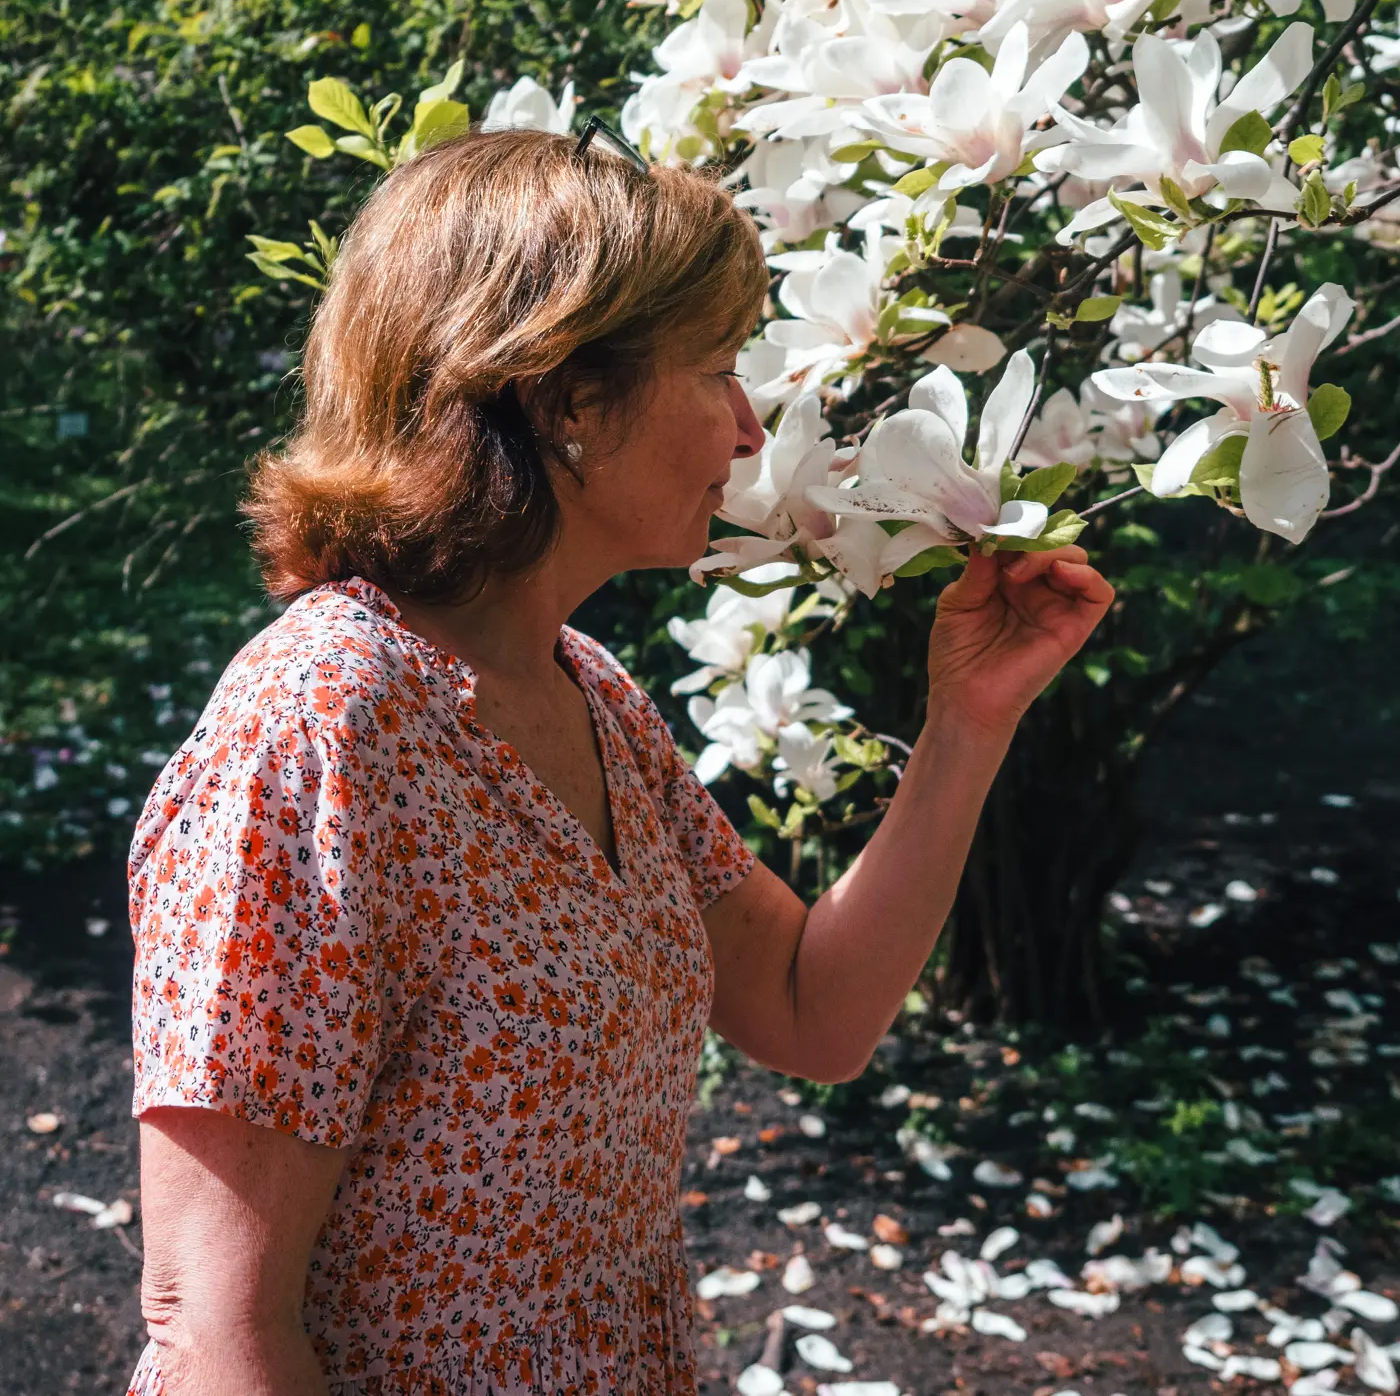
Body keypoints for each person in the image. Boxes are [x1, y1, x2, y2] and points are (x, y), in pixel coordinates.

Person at [126, 126, 1113, 1396]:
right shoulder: (319, 733)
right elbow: (220, 1337)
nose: (752, 431)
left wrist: (966, 721)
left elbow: (814, 1011)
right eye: (714, 371)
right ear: (561, 399)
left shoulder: (589, 695)